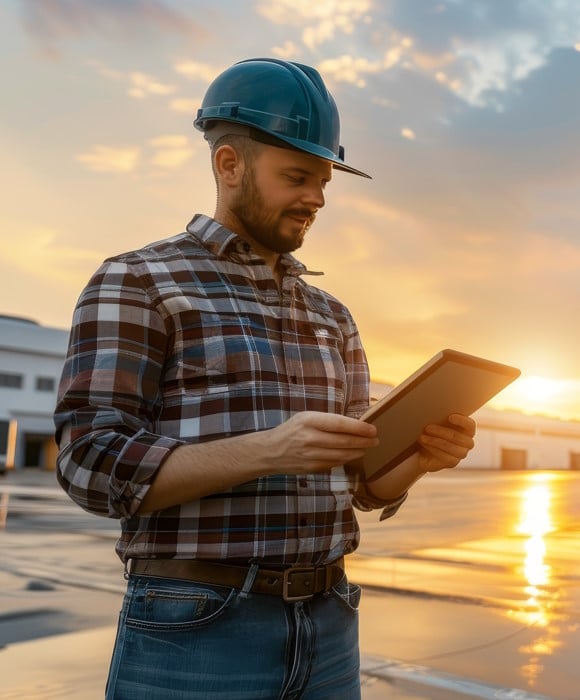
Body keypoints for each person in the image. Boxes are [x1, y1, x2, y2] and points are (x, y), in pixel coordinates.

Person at [54, 58, 476, 700]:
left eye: (324, 181)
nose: (318, 198)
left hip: (331, 623)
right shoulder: (138, 281)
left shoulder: (331, 315)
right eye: (297, 176)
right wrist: (270, 450)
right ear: (229, 165)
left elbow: (361, 487)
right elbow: (88, 463)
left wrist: (420, 459)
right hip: (196, 624)